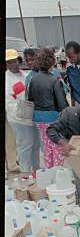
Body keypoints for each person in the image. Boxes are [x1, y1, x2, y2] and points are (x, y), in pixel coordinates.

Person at [26, 46, 68, 169]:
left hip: (38, 118)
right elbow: (62, 103)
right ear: (52, 62)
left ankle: (49, 171)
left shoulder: (32, 79)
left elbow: (30, 99)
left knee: (46, 145)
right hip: (53, 117)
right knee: (56, 145)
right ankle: (57, 172)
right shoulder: (55, 79)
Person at [5, 48, 40, 177]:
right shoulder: (6, 79)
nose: (13, 64)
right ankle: (25, 171)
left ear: (19, 61)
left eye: (14, 61)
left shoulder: (25, 75)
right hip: (18, 119)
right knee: (25, 144)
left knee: (35, 144)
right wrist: (21, 110)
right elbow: (9, 101)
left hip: (31, 116)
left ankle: (36, 169)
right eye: (9, 62)